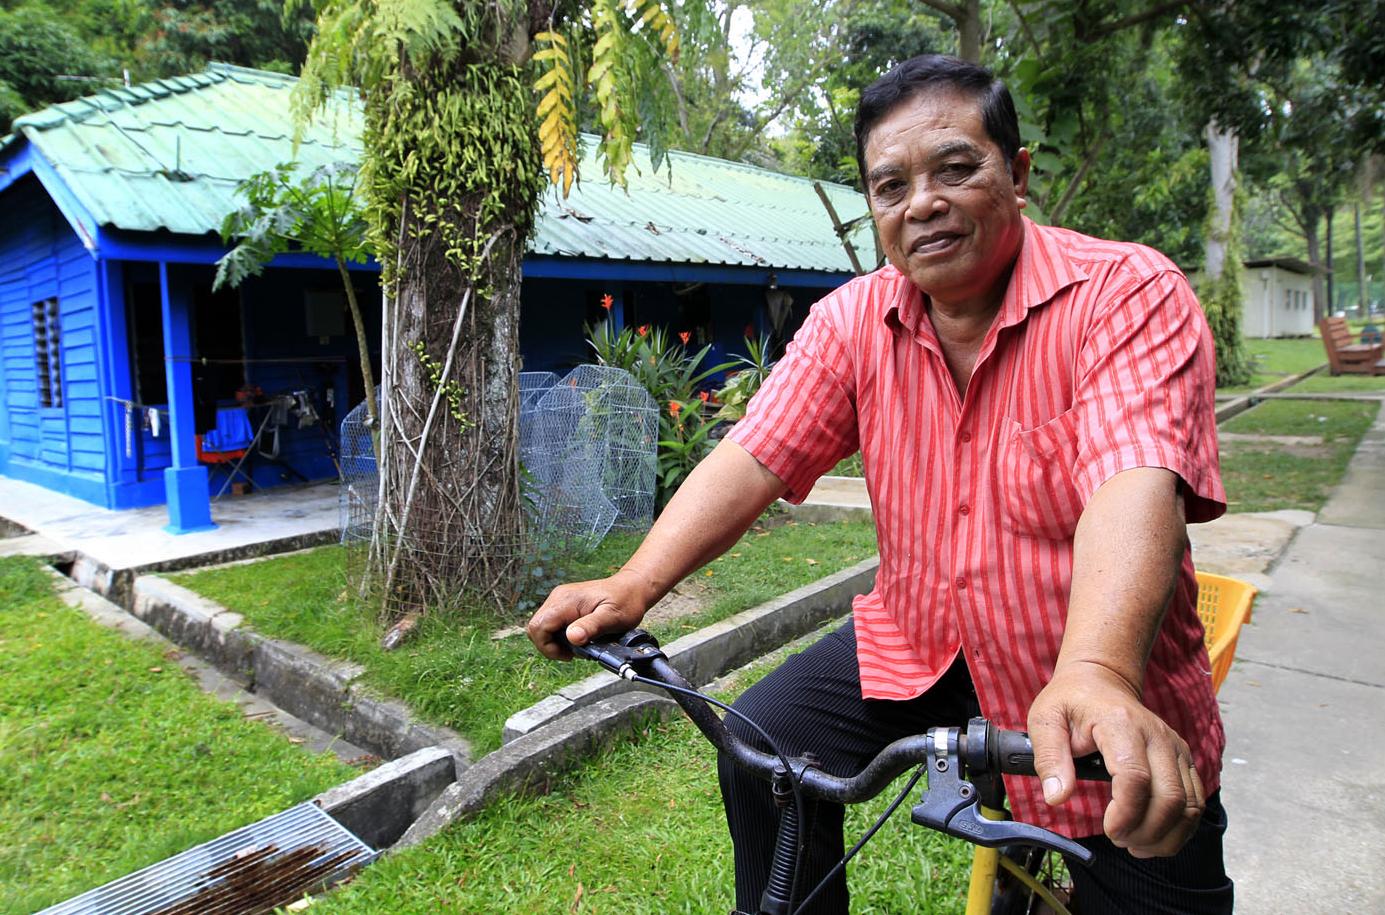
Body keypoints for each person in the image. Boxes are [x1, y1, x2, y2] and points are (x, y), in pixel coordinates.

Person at [528, 53, 1232, 915]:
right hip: (923, 643)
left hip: (1095, 671)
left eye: (957, 168)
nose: (922, 203)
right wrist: (633, 583)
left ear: (1018, 174)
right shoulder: (853, 320)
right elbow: (753, 456)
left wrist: (1095, 670)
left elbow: (1136, 479)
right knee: (767, 747)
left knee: (1143, 843)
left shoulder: (1124, 293)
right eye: (890, 185)